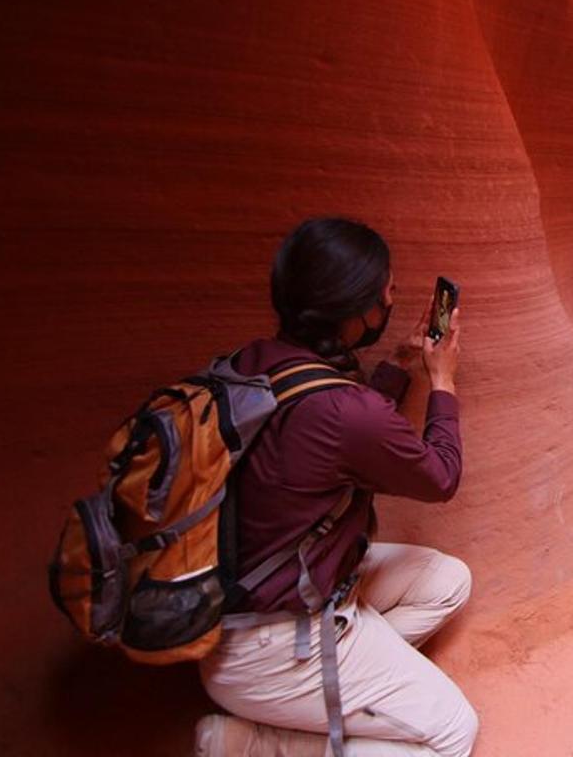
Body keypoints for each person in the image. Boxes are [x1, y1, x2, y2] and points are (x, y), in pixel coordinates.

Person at [194, 217, 478, 756]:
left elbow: (332, 432)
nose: (394, 297)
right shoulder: (347, 411)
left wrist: (397, 364)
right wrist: (442, 379)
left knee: (446, 581)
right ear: (357, 309)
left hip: (241, 609)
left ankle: (337, 690)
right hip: (273, 645)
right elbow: (440, 476)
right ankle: (267, 744)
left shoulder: (250, 363)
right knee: (451, 735)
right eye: (387, 290)